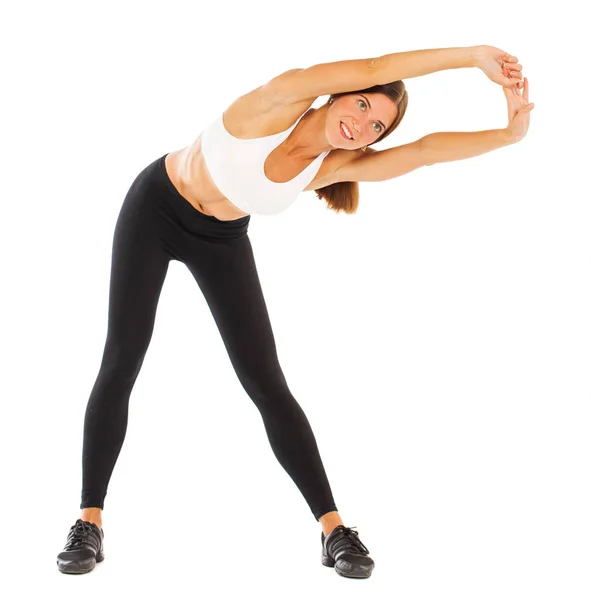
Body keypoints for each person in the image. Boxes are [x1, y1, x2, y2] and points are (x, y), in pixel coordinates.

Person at [56, 44, 531, 579]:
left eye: (377, 126)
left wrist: (507, 136)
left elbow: (421, 152)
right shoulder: (277, 101)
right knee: (122, 359)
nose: (362, 126)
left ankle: (334, 531)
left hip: (222, 239)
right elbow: (378, 69)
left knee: (266, 381)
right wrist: (470, 57)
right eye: (360, 106)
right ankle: (88, 521)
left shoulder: (328, 166)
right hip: (155, 208)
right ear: (337, 94)